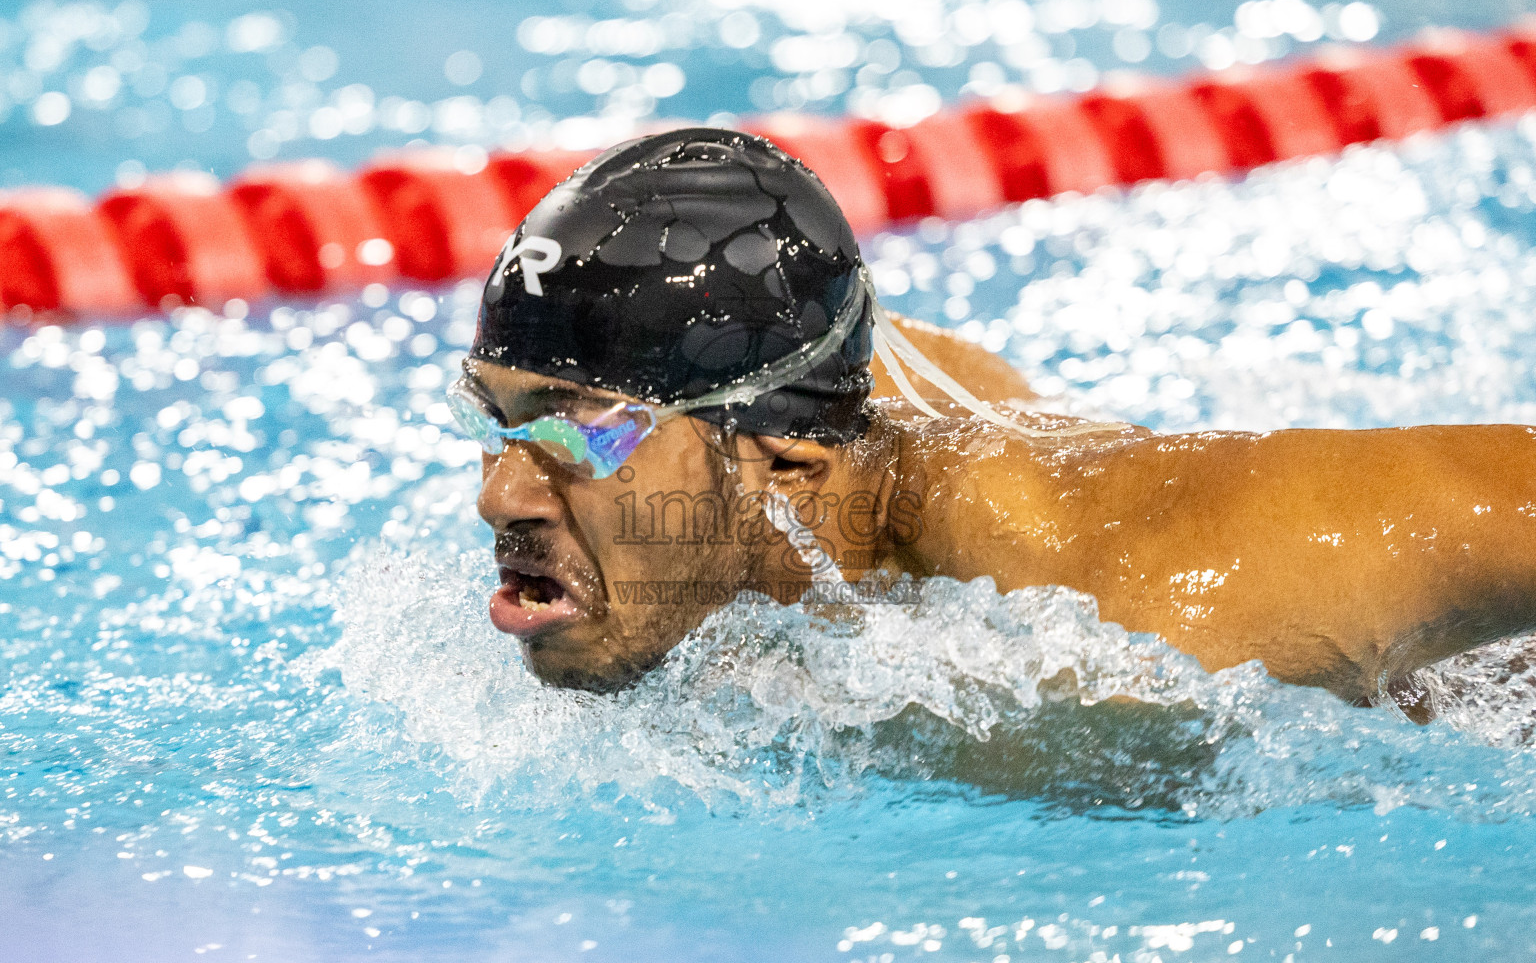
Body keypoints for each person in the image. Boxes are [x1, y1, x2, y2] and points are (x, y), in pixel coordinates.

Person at [453, 126, 1536, 711]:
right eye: (500, 421)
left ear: (782, 456)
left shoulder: (1117, 598)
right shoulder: (801, 395)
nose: (501, 491)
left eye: (574, 428)